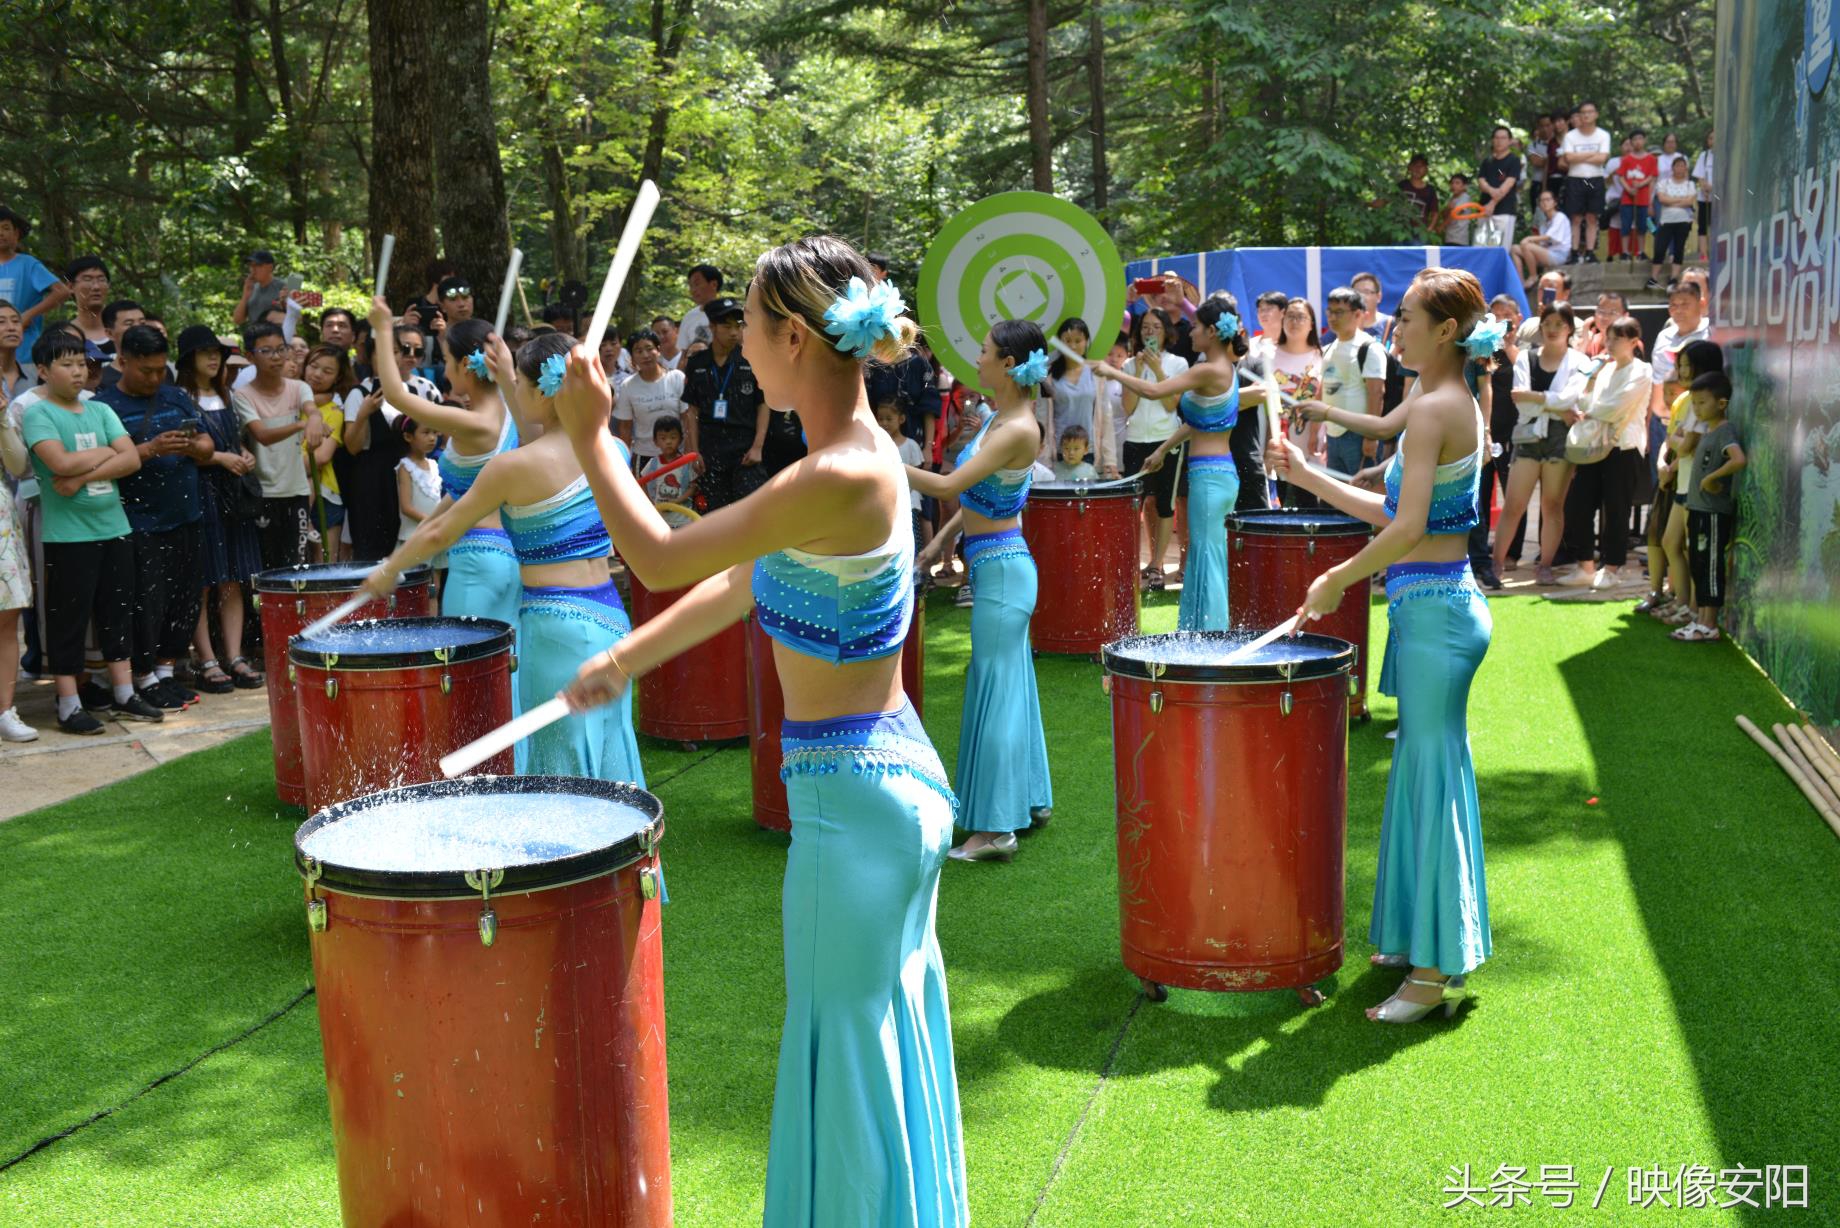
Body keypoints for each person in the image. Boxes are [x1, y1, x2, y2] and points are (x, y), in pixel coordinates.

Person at [553, 237, 968, 1226]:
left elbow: (653, 556)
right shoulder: (851, 467)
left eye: (747, 329)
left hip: (853, 804)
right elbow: (744, 580)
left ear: (792, 335)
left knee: (848, 1051)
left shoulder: (836, 471)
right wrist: (629, 659)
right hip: (886, 784)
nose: (738, 352)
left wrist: (590, 438)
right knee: (881, 1038)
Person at [1268, 267, 1494, 1022]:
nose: (1391, 327)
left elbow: (1403, 531)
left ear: (1446, 333)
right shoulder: (1440, 401)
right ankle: (1412, 939)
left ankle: (1430, 976)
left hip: (1436, 613)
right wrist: (1306, 474)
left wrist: (1335, 578)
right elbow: (1395, 509)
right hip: (1431, 607)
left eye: (1405, 318)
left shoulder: (1435, 407)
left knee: (1430, 778)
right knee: (1421, 773)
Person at [368, 331, 643, 782]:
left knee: (560, 762)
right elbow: (540, 427)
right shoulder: (613, 450)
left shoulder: (511, 468)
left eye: (518, 380)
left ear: (540, 390)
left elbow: (439, 529)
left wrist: (389, 570)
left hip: (555, 625)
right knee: (611, 750)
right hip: (610, 616)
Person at [909, 319, 1054, 861]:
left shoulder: (1018, 427)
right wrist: (939, 543)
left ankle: (996, 830)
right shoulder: (999, 417)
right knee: (1008, 685)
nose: (980, 356)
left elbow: (947, 486)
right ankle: (1031, 800)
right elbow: (973, 497)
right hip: (996, 565)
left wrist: (884, 459)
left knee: (995, 688)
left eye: (988, 351)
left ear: (1010, 365)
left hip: (1002, 570)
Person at [19, 331, 165, 732]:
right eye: (67, 365)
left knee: (117, 612)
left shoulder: (99, 410)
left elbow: (132, 458)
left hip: (115, 528)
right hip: (69, 536)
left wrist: (83, 476)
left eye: (81, 364)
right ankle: (68, 703)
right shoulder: (38, 414)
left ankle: (124, 693)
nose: (78, 372)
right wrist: (105, 454)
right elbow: (60, 463)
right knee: (68, 620)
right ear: (44, 371)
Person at [368, 303, 524, 639]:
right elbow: (454, 499)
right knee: (503, 668)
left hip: (475, 561)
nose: (446, 372)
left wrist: (382, 329)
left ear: (466, 366)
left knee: (472, 676)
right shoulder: (513, 413)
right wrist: (396, 562)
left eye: (448, 362)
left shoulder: (471, 423)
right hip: (508, 555)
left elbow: (395, 393)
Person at [1097, 296, 1249, 631]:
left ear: (1211, 331)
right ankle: (1199, 630)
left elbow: (1155, 392)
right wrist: (1164, 449)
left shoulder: (1207, 370)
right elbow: (1198, 422)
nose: (1190, 331)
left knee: (1206, 553)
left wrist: (1111, 371)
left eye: (1195, 326)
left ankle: (1211, 635)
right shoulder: (1227, 369)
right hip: (1216, 474)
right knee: (1203, 552)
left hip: (1210, 477)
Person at [93, 325, 216, 711]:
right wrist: (149, 450)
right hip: (138, 521)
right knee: (144, 604)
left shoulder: (176, 396)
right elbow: (106, 462)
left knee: (184, 600)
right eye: (145, 370)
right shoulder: (104, 406)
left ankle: (166, 672)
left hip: (186, 515)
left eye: (160, 369)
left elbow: (209, 446)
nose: (154, 378)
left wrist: (194, 446)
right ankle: (141, 676)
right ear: (123, 361)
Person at [175, 326, 264, 692]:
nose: (214, 359)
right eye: (205, 353)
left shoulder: (225, 393)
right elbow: (183, 448)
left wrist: (241, 453)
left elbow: (233, 439)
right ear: (188, 359)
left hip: (232, 495)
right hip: (199, 493)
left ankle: (235, 655)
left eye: (218, 353)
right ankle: (207, 658)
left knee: (232, 578)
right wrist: (223, 458)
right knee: (203, 580)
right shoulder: (179, 396)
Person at [1493, 305, 1589, 583]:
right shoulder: (1526, 357)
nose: (1552, 329)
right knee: (1514, 504)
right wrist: (1556, 407)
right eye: (1548, 323)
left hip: (1560, 437)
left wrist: (1537, 399)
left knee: (1552, 504)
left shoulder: (1579, 361)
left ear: (1569, 328)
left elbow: (1570, 398)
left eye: (1559, 323)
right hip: (1528, 435)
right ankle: (1497, 564)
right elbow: (1520, 401)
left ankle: (1545, 564)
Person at [1556, 317, 1652, 590]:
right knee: (1579, 504)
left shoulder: (1642, 371)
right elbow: (1586, 401)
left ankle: (1612, 567)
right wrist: (1590, 383)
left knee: (1617, 509)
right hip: (1595, 446)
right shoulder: (1605, 370)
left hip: (1624, 446)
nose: (1610, 344)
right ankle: (1585, 566)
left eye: (1617, 339)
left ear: (1633, 342)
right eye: (1608, 338)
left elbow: (1615, 407)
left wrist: (1590, 410)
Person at [1638, 339, 1721, 623]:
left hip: (1695, 485)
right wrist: (1675, 443)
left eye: (1688, 364)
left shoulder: (1702, 399)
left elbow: (1686, 444)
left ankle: (1695, 611)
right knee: (1671, 541)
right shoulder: (1688, 400)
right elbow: (1679, 439)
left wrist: (1676, 440)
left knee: (1690, 548)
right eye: (1680, 364)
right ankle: (1683, 603)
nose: (1683, 370)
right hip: (1682, 482)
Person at [340, 323, 434, 558]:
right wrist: (363, 414)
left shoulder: (410, 392)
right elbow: (352, 447)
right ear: (370, 356)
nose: (389, 358)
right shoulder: (359, 393)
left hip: (406, 478)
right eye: (381, 352)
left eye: (394, 351)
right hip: (372, 481)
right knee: (373, 548)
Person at [233, 322, 321, 570]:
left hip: (297, 492)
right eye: (267, 351)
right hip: (263, 494)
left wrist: (314, 419)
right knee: (267, 566)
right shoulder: (244, 395)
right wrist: (301, 426)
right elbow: (262, 435)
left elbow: (311, 410)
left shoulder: (299, 388)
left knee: (297, 564)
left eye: (281, 349)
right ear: (250, 356)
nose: (276, 357)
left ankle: (296, 609)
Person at [1675, 371, 1745, 642]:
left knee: (1710, 566)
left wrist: (1713, 479)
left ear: (1722, 403)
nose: (1697, 409)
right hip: (1699, 510)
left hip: (1714, 513)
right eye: (1694, 403)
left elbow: (1738, 459)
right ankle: (1701, 621)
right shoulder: (1709, 430)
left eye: (1702, 402)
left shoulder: (1725, 430)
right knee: (1700, 565)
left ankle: (1710, 624)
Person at [681, 296, 768, 509]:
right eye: (726, 326)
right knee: (712, 514)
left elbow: (763, 404)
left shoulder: (751, 358)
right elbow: (691, 410)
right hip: (710, 452)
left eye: (738, 326)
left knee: (750, 513)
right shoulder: (697, 363)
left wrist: (758, 446)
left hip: (745, 452)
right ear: (712, 326)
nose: (734, 332)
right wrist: (694, 451)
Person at [1121, 307, 1186, 590]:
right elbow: (1128, 407)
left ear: (1166, 332)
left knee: (1163, 503)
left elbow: (1171, 404)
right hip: (1135, 439)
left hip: (1166, 439)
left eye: (1155, 327)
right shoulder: (1127, 365)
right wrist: (1136, 370)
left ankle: (1158, 565)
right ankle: (1139, 562)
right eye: (1145, 327)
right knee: (1137, 502)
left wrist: (1158, 369)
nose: (1149, 333)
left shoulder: (1178, 364)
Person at [1311, 287, 1389, 478]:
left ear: (1358, 314)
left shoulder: (1369, 348)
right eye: (1330, 311)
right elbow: (1323, 392)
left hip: (1359, 436)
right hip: (1333, 434)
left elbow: (1376, 393)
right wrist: (1314, 432)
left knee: (1361, 494)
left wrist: (1371, 437)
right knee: (1336, 499)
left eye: (1339, 312)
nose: (1332, 317)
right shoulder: (1328, 348)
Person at [301, 345, 354, 562]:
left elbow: (322, 457)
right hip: (291, 492)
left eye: (327, 371)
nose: (317, 374)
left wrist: (282, 467)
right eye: (313, 366)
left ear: (338, 378)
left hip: (325, 495)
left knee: (326, 563)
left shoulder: (334, 412)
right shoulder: (291, 402)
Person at [612, 328, 688, 465]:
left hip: (678, 454)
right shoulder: (628, 386)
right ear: (632, 356)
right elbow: (625, 428)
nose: (645, 355)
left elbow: (687, 418)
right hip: (645, 455)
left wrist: (690, 450)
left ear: (658, 350)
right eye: (639, 351)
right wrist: (625, 462)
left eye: (649, 348)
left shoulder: (677, 378)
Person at [0, 206, 70, 353]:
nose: (0, 233)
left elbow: (62, 292)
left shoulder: (28, 264)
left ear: (16, 234)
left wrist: (28, 315)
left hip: (24, 351)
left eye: (5, 228)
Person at [395, 417, 447, 599]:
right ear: (408, 437)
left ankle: (432, 623)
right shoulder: (405, 466)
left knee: (434, 586)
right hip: (414, 536)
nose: (432, 438)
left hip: (435, 534)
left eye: (434, 432)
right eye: (426, 432)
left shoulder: (434, 465)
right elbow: (406, 507)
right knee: (416, 587)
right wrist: (432, 522)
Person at [873, 401, 926, 558]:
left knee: (911, 540)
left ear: (901, 419)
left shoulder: (911, 445)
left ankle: (917, 576)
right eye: (880, 419)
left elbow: (917, 474)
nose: (884, 423)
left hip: (909, 503)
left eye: (889, 419)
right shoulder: (876, 445)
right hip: (884, 505)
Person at [1560, 102, 1611, 262]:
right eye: (1583, 112)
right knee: (1575, 218)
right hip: (1575, 179)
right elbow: (1568, 158)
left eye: (1590, 112)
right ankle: (1574, 251)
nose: (1586, 115)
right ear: (1579, 116)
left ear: (1596, 114)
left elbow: (1602, 158)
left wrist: (1579, 156)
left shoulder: (1603, 135)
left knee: (1592, 217)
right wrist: (1592, 154)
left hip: (1595, 178)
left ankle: (1590, 251)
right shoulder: (1571, 136)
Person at [1649, 157, 1698, 291]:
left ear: (1686, 168)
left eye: (1682, 166)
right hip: (1666, 220)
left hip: (1683, 220)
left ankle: (1674, 278)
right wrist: (1680, 200)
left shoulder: (1690, 184)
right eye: (1677, 165)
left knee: (1678, 248)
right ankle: (1653, 278)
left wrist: (1672, 200)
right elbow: (1662, 199)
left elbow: (1689, 202)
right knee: (1660, 248)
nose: (1680, 168)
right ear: (1673, 168)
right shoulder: (1664, 183)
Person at [640, 414, 697, 527]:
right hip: (659, 520)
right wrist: (650, 504)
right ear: (655, 441)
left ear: (680, 439)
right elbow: (642, 483)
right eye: (663, 438)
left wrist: (676, 502)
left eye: (673, 437)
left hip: (683, 520)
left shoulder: (686, 463)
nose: (668, 442)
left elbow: (693, 487)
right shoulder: (653, 464)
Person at [1512, 189, 1573, 286]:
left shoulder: (1560, 217)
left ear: (1555, 202)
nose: (1545, 203)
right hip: (1546, 253)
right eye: (1542, 200)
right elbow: (1540, 244)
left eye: (1548, 200)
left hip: (1558, 255)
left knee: (1526, 245)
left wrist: (1529, 239)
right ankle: (1520, 282)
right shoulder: (1544, 223)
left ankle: (1533, 276)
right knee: (1515, 248)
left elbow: (1548, 237)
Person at [1476, 125, 1523, 248]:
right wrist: (1491, 190)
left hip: (1504, 211)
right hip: (1483, 210)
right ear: (1492, 140)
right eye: (1496, 138)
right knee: (1479, 248)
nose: (1499, 141)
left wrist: (1492, 204)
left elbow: (1508, 184)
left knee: (1500, 251)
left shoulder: (1514, 160)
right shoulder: (1487, 161)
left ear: (1509, 141)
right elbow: (1481, 181)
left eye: (1503, 138)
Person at [1616, 130, 1658, 263]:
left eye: (1640, 138)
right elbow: (1621, 176)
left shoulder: (1651, 159)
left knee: (1642, 226)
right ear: (1631, 142)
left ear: (1644, 140)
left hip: (1643, 198)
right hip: (1628, 198)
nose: (1638, 142)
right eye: (1635, 139)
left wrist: (1641, 184)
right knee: (1626, 225)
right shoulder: (1626, 159)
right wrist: (1628, 188)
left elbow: (1652, 176)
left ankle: (1641, 251)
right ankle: (1625, 252)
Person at [233, 249, 286, 327]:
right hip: (254, 337)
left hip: (276, 337)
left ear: (270, 268)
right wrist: (245, 296)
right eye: (251, 265)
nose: (253, 270)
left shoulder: (283, 286)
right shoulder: (251, 288)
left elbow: (296, 318)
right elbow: (237, 320)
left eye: (258, 265)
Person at [65, 256, 112, 346]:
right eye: (87, 279)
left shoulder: (123, 332)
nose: (96, 287)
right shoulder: (61, 336)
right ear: (70, 287)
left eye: (101, 280)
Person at [678, 263, 723, 354]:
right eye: (690, 286)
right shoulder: (689, 317)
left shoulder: (732, 313)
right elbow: (683, 354)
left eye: (697, 284)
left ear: (714, 284)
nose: (693, 290)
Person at [1692, 130, 1715, 263]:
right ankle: (1703, 253)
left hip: (1719, 197)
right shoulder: (1704, 155)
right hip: (1704, 197)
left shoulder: (1726, 155)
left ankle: (1716, 251)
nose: (1713, 141)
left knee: (1716, 225)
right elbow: (1700, 175)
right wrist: (1704, 186)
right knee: (1703, 225)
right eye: (1711, 138)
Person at [1442, 174, 1474, 245]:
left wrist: (1441, 227)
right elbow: (1444, 215)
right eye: (1452, 183)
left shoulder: (1465, 197)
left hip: (1459, 238)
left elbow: (1454, 214)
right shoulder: (1451, 199)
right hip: (1449, 237)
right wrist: (1448, 208)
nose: (1454, 185)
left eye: (1457, 183)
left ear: (1464, 186)